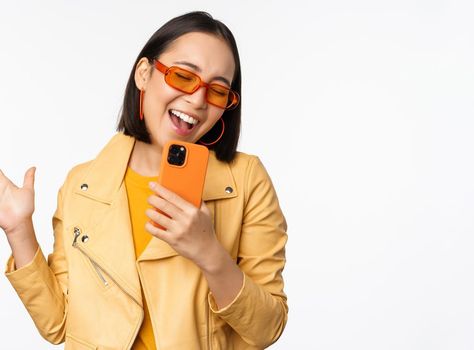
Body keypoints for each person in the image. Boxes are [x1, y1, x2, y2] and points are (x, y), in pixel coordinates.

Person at [0, 11, 288, 350]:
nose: (197, 100)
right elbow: (58, 322)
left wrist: (210, 253)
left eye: (218, 91)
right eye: (183, 76)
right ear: (144, 73)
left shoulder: (245, 180)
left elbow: (266, 329)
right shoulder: (83, 185)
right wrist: (19, 230)